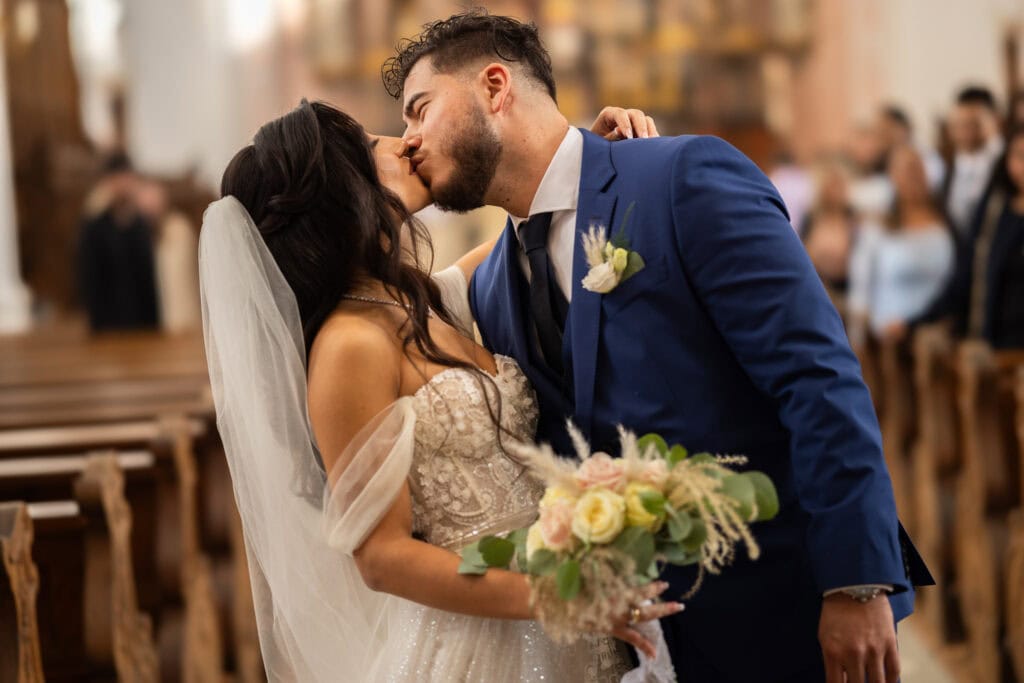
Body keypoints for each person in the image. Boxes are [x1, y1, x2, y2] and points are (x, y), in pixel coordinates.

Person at [387, 11, 932, 683]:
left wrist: (856, 581)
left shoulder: (679, 179)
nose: (409, 141)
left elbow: (816, 375)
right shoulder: (491, 287)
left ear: (495, 86)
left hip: (786, 610)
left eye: (420, 110)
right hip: (642, 647)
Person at [201, 100, 680, 682]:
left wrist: (582, 160)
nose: (400, 143)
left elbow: (533, 231)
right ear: (335, 194)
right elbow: (382, 558)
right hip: (484, 641)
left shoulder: (419, 299)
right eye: (370, 145)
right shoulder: (350, 345)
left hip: (561, 611)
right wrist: (558, 598)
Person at [918, 125, 1024, 348]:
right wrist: (920, 319)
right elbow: (966, 272)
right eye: (1019, 156)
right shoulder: (994, 211)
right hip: (997, 341)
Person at [847, 146, 955, 346]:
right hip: (888, 337)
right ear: (892, 177)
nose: (912, 178)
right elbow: (861, 285)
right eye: (904, 171)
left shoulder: (947, 222)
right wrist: (858, 339)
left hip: (935, 334)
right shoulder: (879, 226)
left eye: (916, 169)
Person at [77, 152, 159, 331]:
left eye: (126, 177)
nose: (123, 184)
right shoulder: (94, 227)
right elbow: (90, 281)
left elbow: (150, 280)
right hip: (108, 325)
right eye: (117, 178)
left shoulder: (141, 225)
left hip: (143, 324)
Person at [942, 86, 1004, 238]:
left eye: (973, 124)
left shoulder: (1009, 160)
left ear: (995, 119)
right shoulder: (950, 164)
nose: (964, 132)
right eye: (959, 125)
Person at [801, 157, 857, 296]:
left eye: (839, 185)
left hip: (844, 291)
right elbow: (803, 255)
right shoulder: (811, 218)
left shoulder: (853, 221)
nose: (835, 191)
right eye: (832, 184)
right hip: (815, 289)